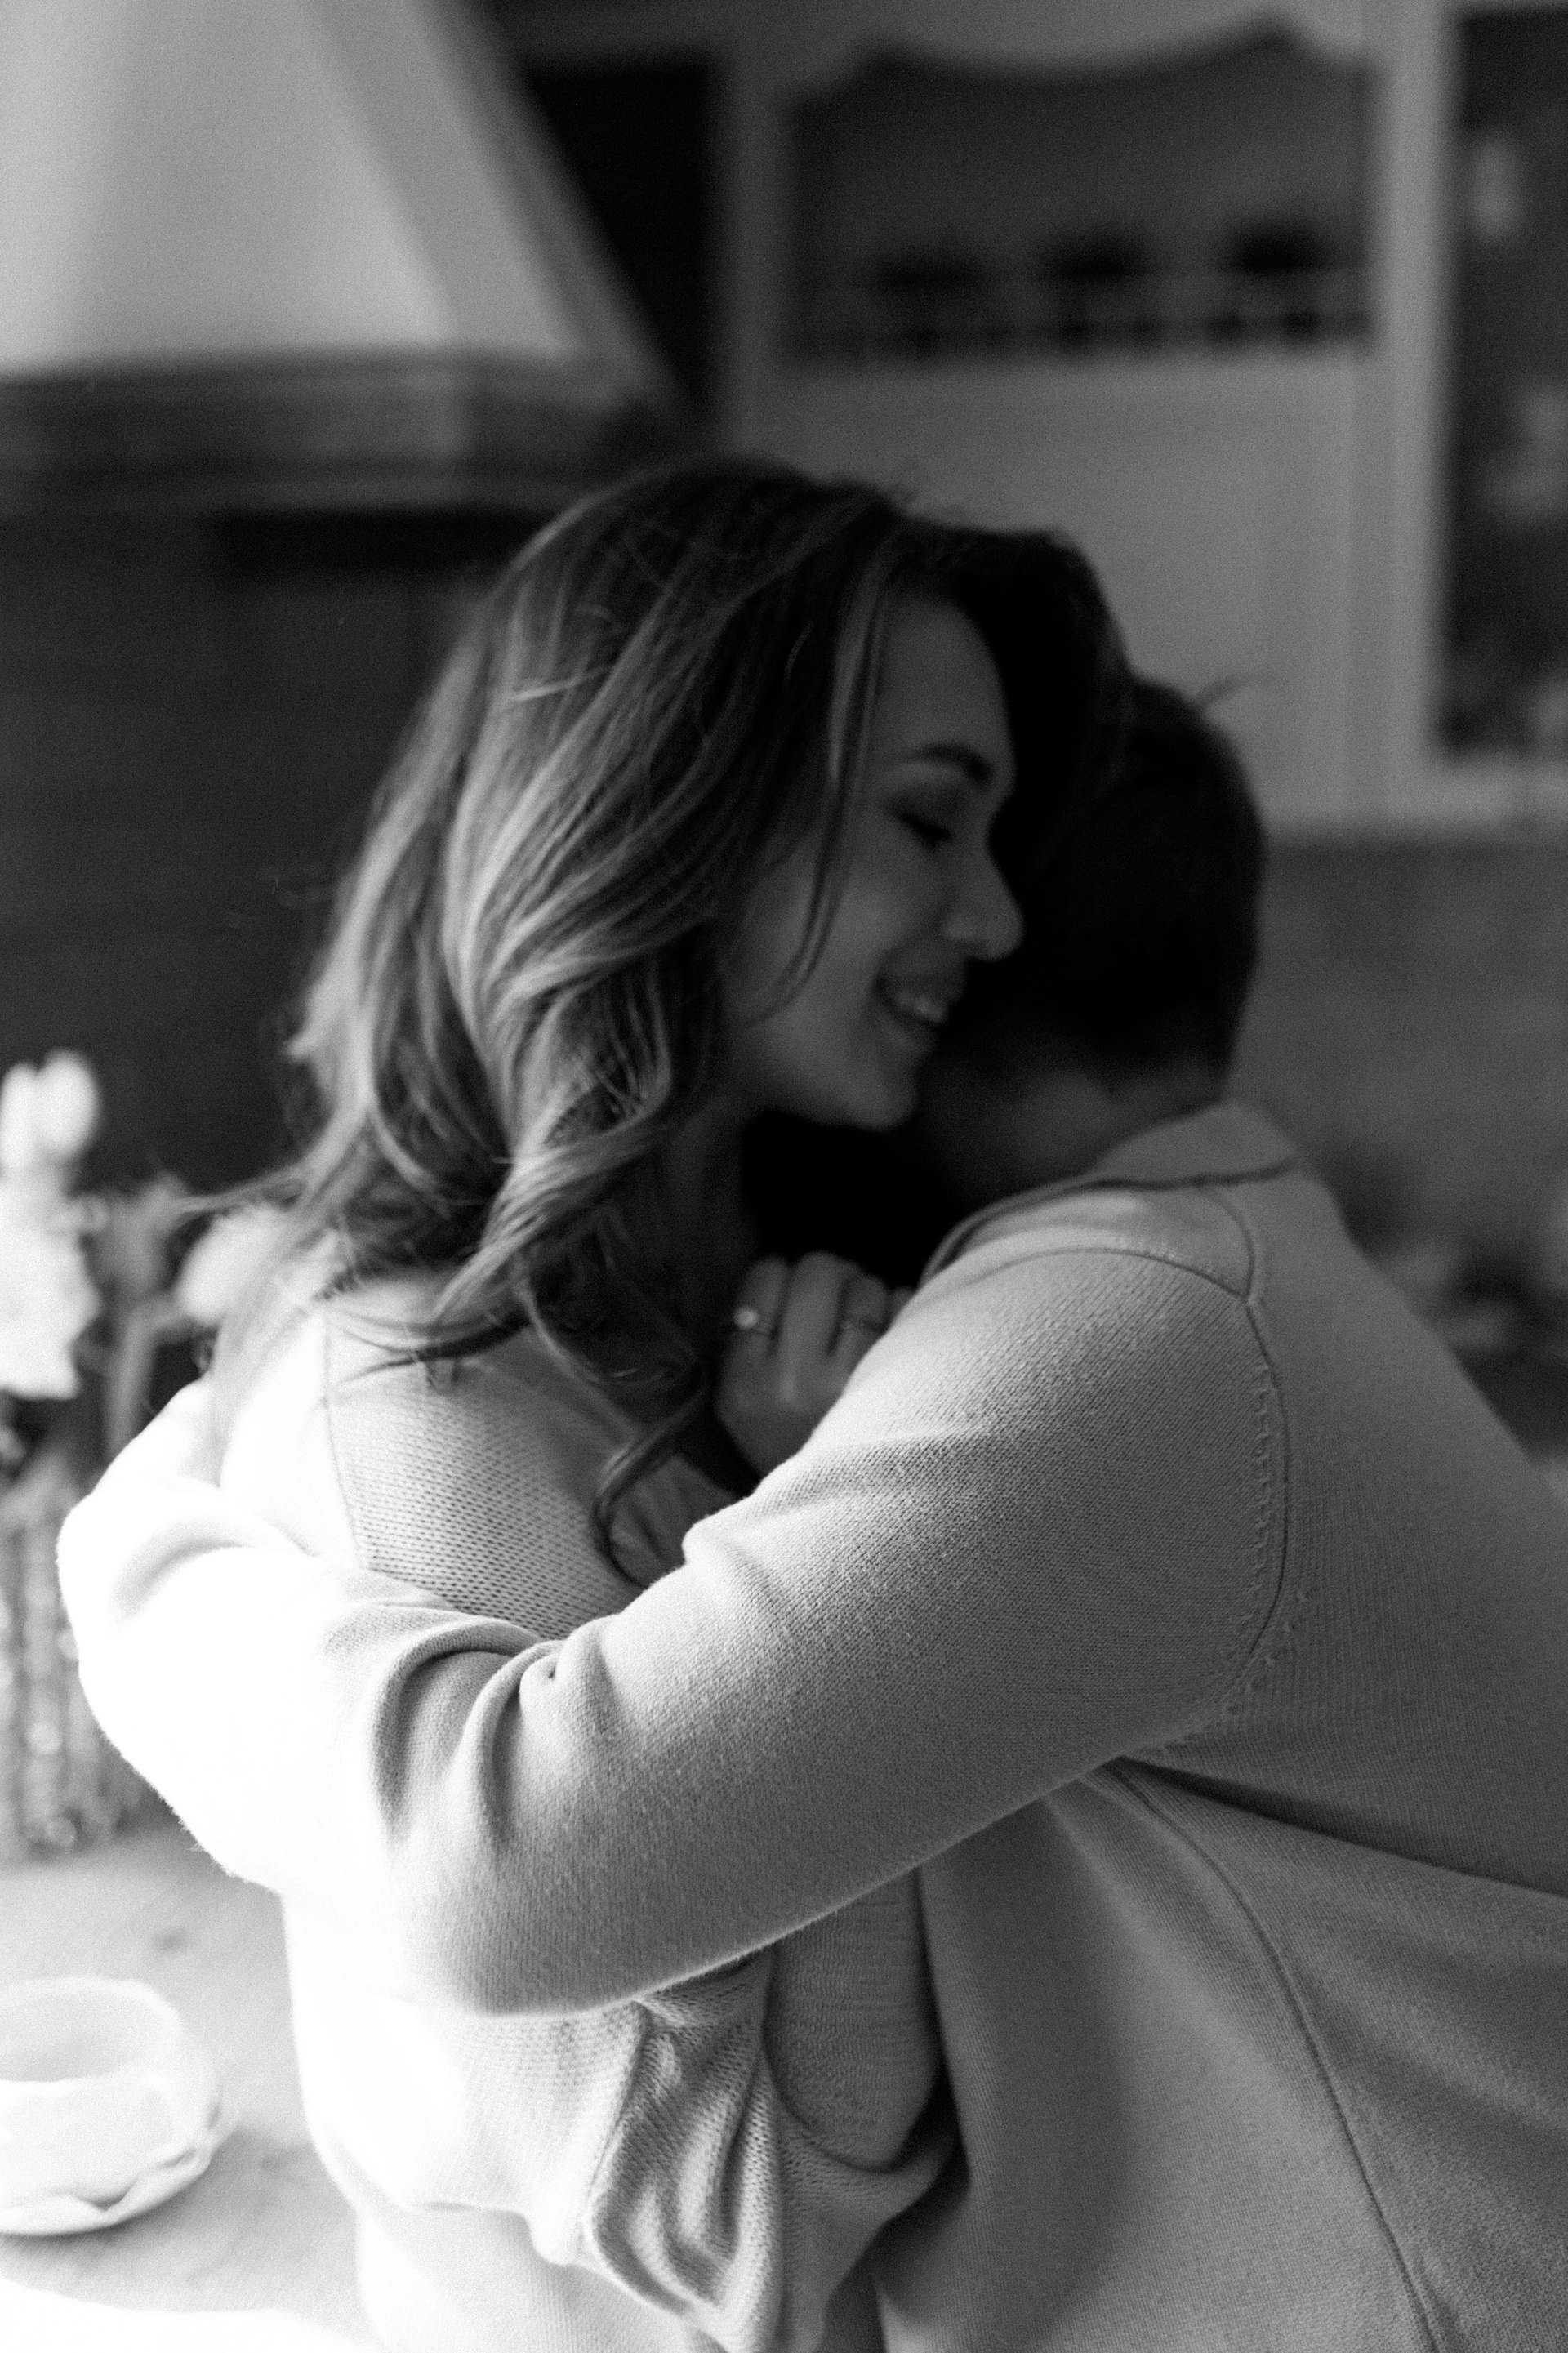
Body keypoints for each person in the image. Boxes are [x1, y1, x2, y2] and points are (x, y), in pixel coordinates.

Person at [64, 675, 1568, 2343]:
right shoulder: (1232, 1257)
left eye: (952, 831)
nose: (959, 902)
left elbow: (509, 1864)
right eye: (923, 828)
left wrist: (132, 1550)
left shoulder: (1114, 1335)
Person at [57, 456, 1129, 2353]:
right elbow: (752, 2238)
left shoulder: (776, 1279)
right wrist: (839, 1543)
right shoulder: (436, 1413)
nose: (996, 916)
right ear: (682, 815)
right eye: (927, 819)